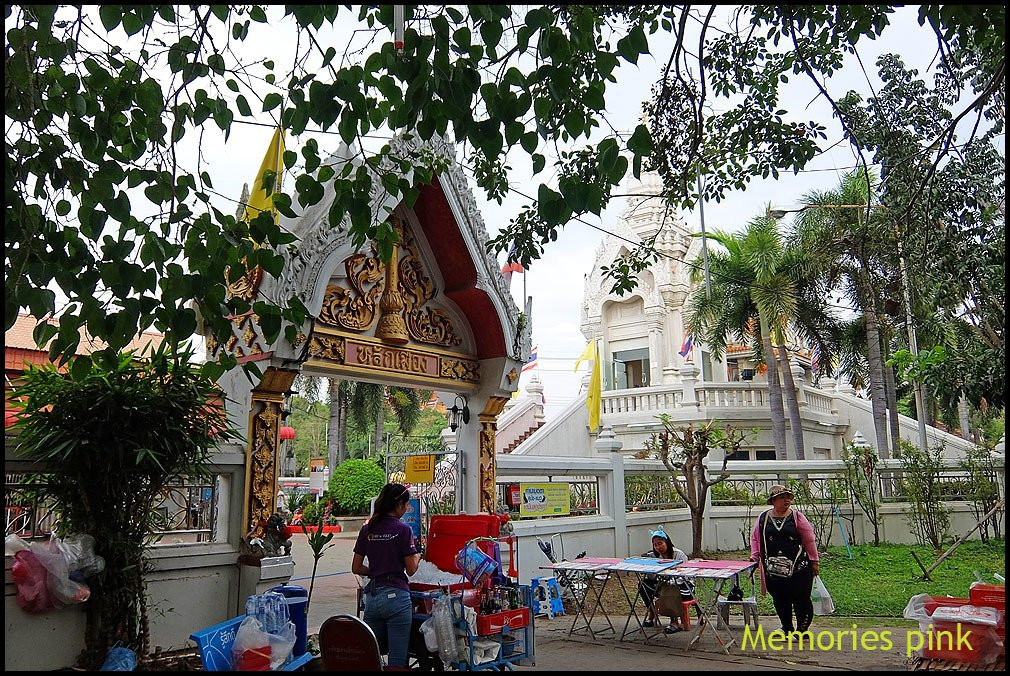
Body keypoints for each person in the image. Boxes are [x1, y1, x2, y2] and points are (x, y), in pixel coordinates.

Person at [351, 483, 421, 668]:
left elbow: (356, 567)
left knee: (371, 658)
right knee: (397, 661)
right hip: (397, 599)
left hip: (372, 599)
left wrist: (375, 570)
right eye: (405, 505)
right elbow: (412, 569)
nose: (406, 509)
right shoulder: (404, 530)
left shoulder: (368, 529)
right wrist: (418, 555)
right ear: (399, 505)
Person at [750, 485, 820, 634]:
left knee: (801, 600)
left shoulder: (797, 517)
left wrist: (814, 561)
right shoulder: (763, 518)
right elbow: (756, 539)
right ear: (774, 500)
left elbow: (809, 540)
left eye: (788, 497)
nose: (787, 500)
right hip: (773, 569)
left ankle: (802, 631)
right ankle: (786, 628)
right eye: (782, 497)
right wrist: (754, 558)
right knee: (780, 599)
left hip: (798, 568)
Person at [638, 528, 690, 634]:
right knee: (643, 585)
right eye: (655, 545)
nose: (658, 547)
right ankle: (651, 612)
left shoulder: (678, 554)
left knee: (670, 588)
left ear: (667, 542)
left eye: (660, 543)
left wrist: (671, 580)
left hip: (683, 585)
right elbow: (653, 576)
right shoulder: (654, 556)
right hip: (663, 584)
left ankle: (675, 621)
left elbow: (686, 575)